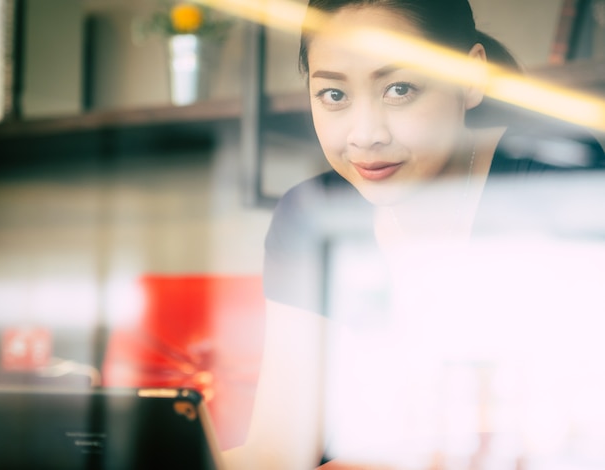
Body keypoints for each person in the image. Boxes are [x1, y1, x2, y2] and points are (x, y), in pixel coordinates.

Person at [223, 0, 605, 468]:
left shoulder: (556, 183)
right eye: (334, 95)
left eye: (399, 89)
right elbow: (278, 449)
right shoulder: (311, 215)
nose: (365, 136)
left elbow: (568, 442)